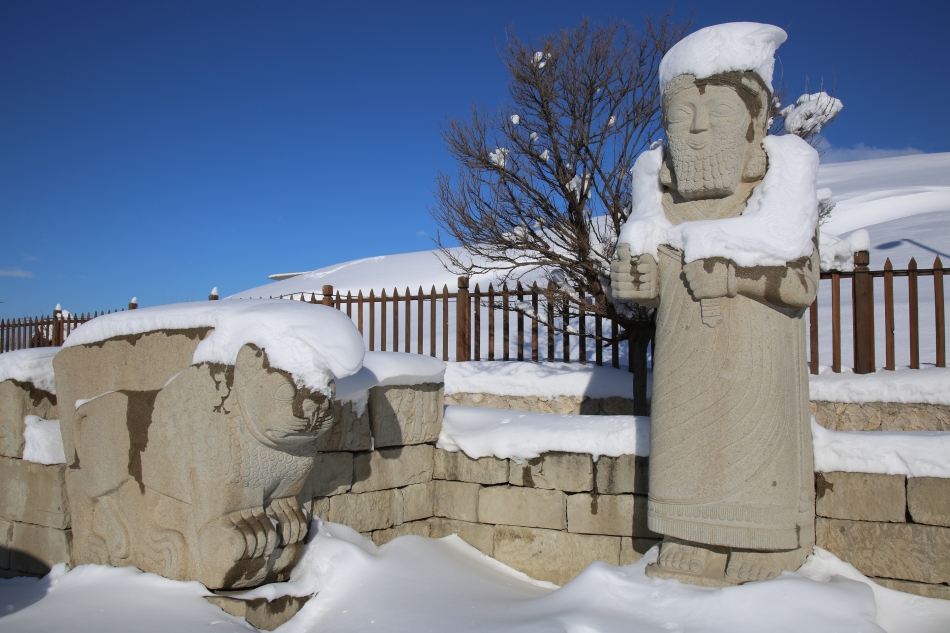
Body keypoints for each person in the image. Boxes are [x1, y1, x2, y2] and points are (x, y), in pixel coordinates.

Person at [610, 23, 820, 584]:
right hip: (684, 360)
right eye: (682, 118)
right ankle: (689, 535)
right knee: (684, 439)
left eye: (718, 116)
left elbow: (801, 284)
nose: (697, 131)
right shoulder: (659, 200)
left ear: (753, 128)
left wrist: (733, 277)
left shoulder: (777, 188)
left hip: (756, 363)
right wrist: (636, 282)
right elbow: (643, 281)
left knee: (756, 442)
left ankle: (768, 543)